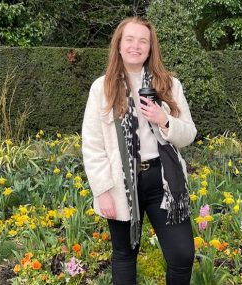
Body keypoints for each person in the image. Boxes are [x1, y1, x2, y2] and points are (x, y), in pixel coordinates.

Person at [82, 16, 197, 285]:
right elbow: (92, 144)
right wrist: (102, 190)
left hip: (163, 181)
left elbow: (189, 134)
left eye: (143, 40)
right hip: (121, 182)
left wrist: (164, 120)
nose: (136, 46)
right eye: (129, 39)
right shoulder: (102, 88)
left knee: (182, 255)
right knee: (124, 254)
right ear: (119, 46)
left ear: (150, 47)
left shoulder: (169, 84)